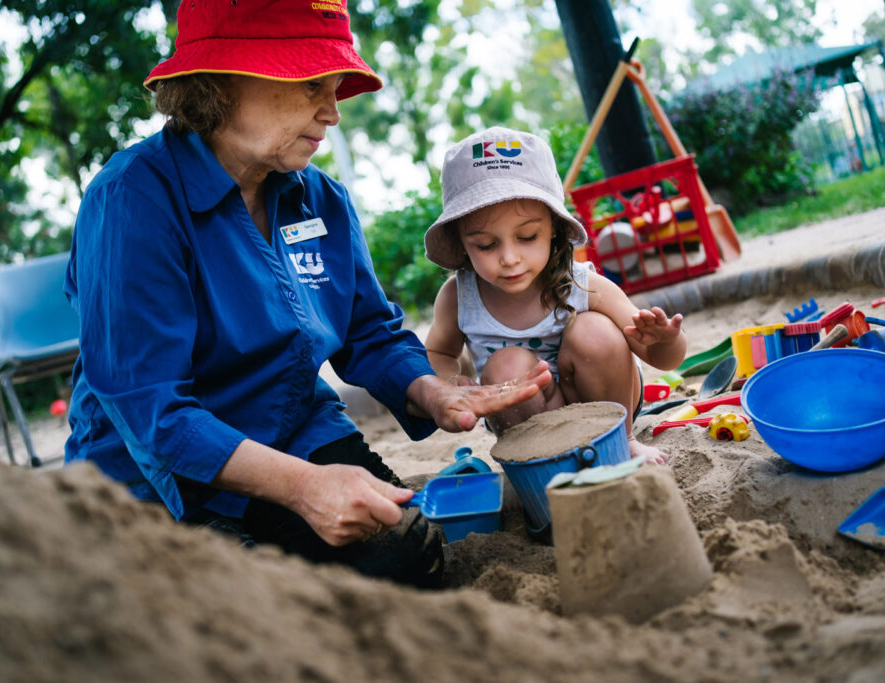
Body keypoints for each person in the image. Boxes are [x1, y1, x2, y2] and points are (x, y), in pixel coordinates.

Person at [63, 3, 551, 589]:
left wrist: (432, 391)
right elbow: (151, 410)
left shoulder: (322, 197)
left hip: (296, 425)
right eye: (311, 85)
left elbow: (369, 332)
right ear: (219, 83)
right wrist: (301, 487)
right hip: (158, 471)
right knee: (230, 603)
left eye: (336, 87)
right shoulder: (131, 200)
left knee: (402, 556)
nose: (333, 113)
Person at [423, 126, 687, 464]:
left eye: (528, 236)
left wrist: (663, 339)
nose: (509, 258)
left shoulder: (582, 284)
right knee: (505, 366)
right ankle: (542, 461)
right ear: (461, 242)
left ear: (554, 230)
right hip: (528, 418)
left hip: (603, 399)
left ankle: (621, 441)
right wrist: (449, 381)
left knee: (594, 331)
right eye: (486, 245)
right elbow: (438, 351)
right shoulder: (459, 296)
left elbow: (665, 359)